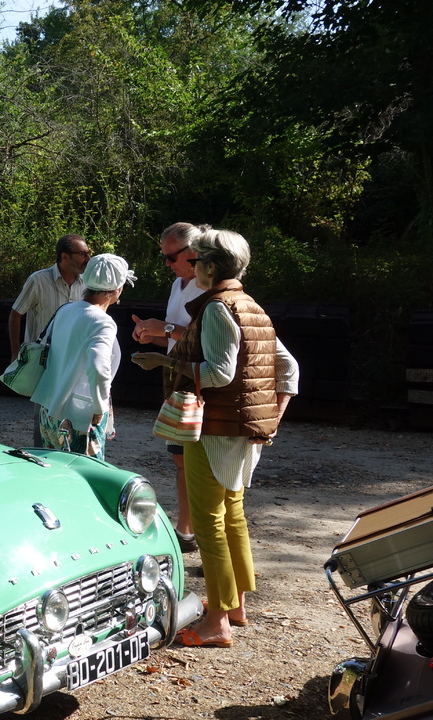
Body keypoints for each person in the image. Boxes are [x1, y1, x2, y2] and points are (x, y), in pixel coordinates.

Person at [130, 228, 299, 649]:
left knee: (209, 522)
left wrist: (164, 363)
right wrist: (271, 419)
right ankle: (234, 605)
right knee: (232, 515)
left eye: (194, 260)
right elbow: (288, 368)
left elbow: (220, 374)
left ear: (208, 265)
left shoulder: (218, 308)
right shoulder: (251, 306)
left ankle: (217, 621)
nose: (189, 267)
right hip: (239, 431)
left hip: (215, 429)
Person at [131, 222, 205, 553]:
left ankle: (199, 533)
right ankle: (186, 530)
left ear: (194, 252)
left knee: (195, 460)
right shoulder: (179, 284)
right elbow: (176, 336)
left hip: (198, 379)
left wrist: (165, 328)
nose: (167, 264)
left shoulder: (208, 286)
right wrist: (152, 334)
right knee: (179, 458)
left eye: (172, 257)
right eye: (164, 256)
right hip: (175, 375)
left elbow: (206, 337)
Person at [31, 253, 136, 460]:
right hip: (78, 417)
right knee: (83, 473)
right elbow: (98, 367)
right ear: (117, 289)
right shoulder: (102, 322)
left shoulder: (65, 310)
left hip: (49, 409)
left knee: (54, 470)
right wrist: (99, 406)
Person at [9, 234, 91, 445]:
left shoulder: (87, 283)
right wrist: (15, 351)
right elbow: (16, 313)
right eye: (83, 254)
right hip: (44, 361)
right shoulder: (38, 280)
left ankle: (68, 455)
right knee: (43, 417)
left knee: (73, 414)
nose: (88, 258)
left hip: (75, 359)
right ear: (64, 256)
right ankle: (41, 457)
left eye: (89, 253)